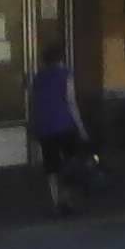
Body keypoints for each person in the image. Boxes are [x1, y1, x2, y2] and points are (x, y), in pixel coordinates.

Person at [30, 43, 88, 215]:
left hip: (45, 127)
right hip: (65, 125)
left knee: (52, 167)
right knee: (69, 163)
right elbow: (71, 102)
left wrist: (34, 126)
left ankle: (56, 203)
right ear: (61, 58)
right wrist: (82, 128)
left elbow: (35, 103)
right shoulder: (66, 74)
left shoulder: (38, 77)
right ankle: (67, 200)